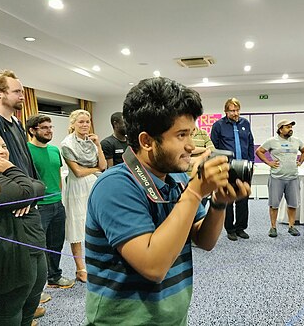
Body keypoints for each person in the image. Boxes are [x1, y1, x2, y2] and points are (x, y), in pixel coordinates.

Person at [84, 77, 251, 325]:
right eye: (181, 135)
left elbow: (204, 240)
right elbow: (154, 266)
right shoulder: (115, 186)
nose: (191, 146)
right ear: (147, 141)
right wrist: (195, 192)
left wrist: (218, 203)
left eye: (191, 134)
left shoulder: (177, 177)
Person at [0, 69, 47, 324]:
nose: (23, 95)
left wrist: (30, 192)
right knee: (15, 288)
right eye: (16, 91)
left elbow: (32, 175)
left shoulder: (15, 123)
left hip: (27, 201)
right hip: (10, 211)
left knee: (37, 278)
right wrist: (23, 192)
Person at [26, 114, 75, 289]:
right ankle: (35, 287)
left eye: (50, 127)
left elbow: (57, 175)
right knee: (38, 247)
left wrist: (59, 195)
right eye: (44, 127)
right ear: (32, 130)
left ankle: (54, 276)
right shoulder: (26, 151)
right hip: (39, 206)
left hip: (57, 203)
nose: (49, 131)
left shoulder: (54, 150)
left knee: (56, 243)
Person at [61, 110, 106, 283]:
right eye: (81, 122)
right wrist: (95, 170)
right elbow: (78, 172)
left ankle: (97, 263)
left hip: (94, 186)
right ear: (73, 124)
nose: (85, 125)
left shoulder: (92, 141)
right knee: (77, 228)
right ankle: (80, 269)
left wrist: (98, 145)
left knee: (96, 225)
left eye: (87, 121)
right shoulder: (67, 144)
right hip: (77, 188)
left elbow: (102, 165)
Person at [256, 119, 304, 237]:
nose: (290, 129)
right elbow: (259, 151)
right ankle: (273, 227)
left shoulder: (296, 141)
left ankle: (291, 226)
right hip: (277, 177)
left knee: (292, 204)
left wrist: (300, 161)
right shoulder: (272, 141)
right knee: (274, 204)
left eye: (291, 127)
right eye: (287, 127)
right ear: (280, 129)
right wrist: (268, 163)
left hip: (293, 177)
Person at [211, 97, 254, 241]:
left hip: (244, 167)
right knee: (228, 198)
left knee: (243, 197)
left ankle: (241, 227)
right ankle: (230, 229)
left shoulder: (245, 124)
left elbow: (250, 143)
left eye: (237, 110)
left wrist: (251, 163)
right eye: (232, 110)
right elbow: (214, 148)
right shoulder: (218, 125)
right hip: (227, 167)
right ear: (225, 111)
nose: (235, 113)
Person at [186, 126, 215, 205]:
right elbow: (186, 148)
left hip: (201, 177)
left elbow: (212, 150)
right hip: (184, 178)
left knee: (201, 209)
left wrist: (198, 159)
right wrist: (204, 149)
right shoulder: (183, 134)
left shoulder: (203, 133)